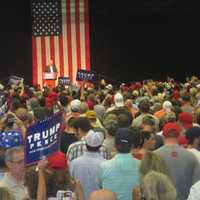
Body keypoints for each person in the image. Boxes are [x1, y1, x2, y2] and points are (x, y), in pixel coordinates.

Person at [155, 122, 200, 200]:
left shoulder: (154, 155)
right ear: (179, 135)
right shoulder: (191, 156)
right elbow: (196, 183)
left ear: (163, 135)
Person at [97, 128, 140, 200]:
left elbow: (100, 187)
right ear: (132, 145)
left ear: (115, 145)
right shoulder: (141, 166)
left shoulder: (103, 167)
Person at [70, 129, 106, 200]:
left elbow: (71, 185)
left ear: (86, 144)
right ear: (100, 145)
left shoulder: (75, 163)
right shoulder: (105, 165)